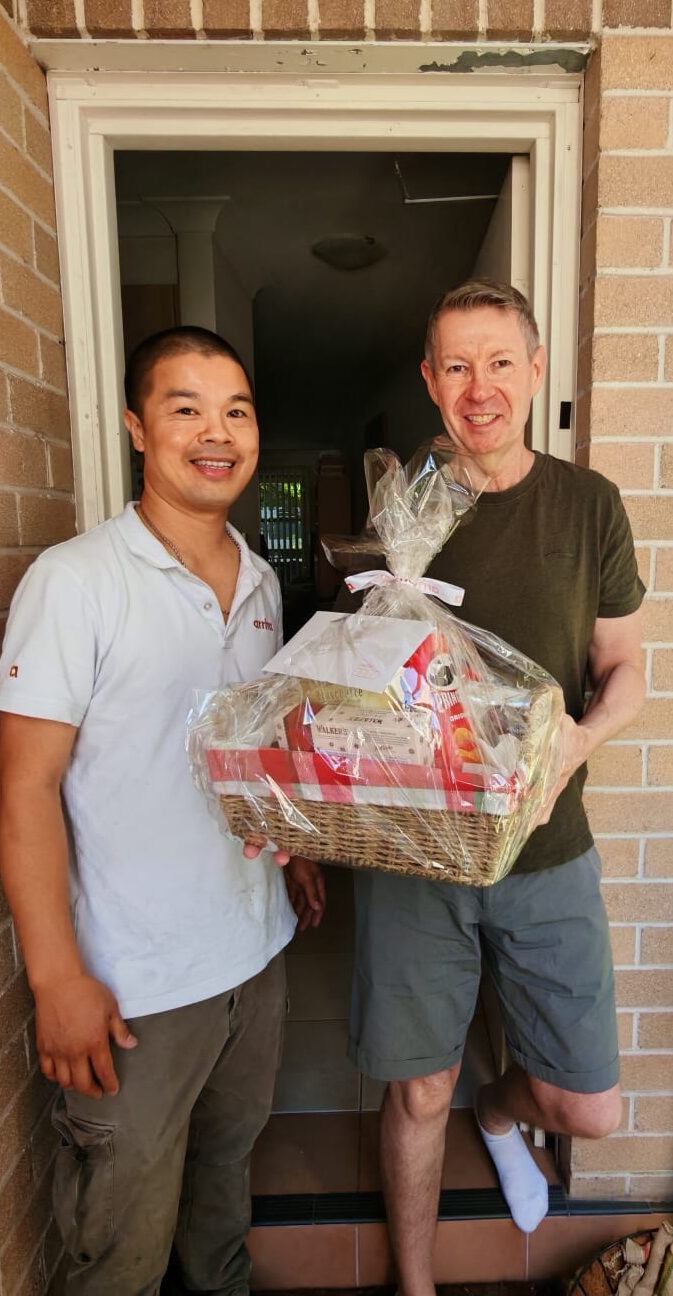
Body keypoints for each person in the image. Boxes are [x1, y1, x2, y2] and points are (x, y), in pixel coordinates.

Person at [0, 326, 325, 1295]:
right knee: (120, 1249)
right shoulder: (75, 581)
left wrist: (296, 850)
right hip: (134, 989)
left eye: (237, 410)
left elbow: (250, 751)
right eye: (185, 409)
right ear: (138, 427)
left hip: (250, 964)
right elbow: (23, 789)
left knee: (221, 1208)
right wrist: (57, 978)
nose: (214, 433)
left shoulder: (263, 581)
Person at [340, 280, 645, 1296]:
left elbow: (626, 666)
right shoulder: (396, 512)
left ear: (536, 367)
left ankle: (505, 1109)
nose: (482, 388)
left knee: (588, 1103)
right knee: (419, 1085)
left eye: (501, 362)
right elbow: (353, 684)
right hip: (415, 849)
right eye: (458, 365)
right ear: (430, 381)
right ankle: (416, 1285)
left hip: (546, 842)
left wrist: (578, 739)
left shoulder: (588, 503)